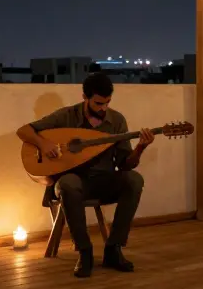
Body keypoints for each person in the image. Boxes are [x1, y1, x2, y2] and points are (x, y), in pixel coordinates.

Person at [16, 72, 154, 278]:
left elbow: (126, 165)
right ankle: (85, 252)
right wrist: (44, 144)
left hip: (104, 180)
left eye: (107, 103)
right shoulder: (67, 116)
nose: (103, 108)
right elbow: (24, 131)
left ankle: (113, 249)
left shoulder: (116, 121)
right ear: (85, 97)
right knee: (68, 184)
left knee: (134, 180)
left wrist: (141, 147)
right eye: (98, 103)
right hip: (75, 182)